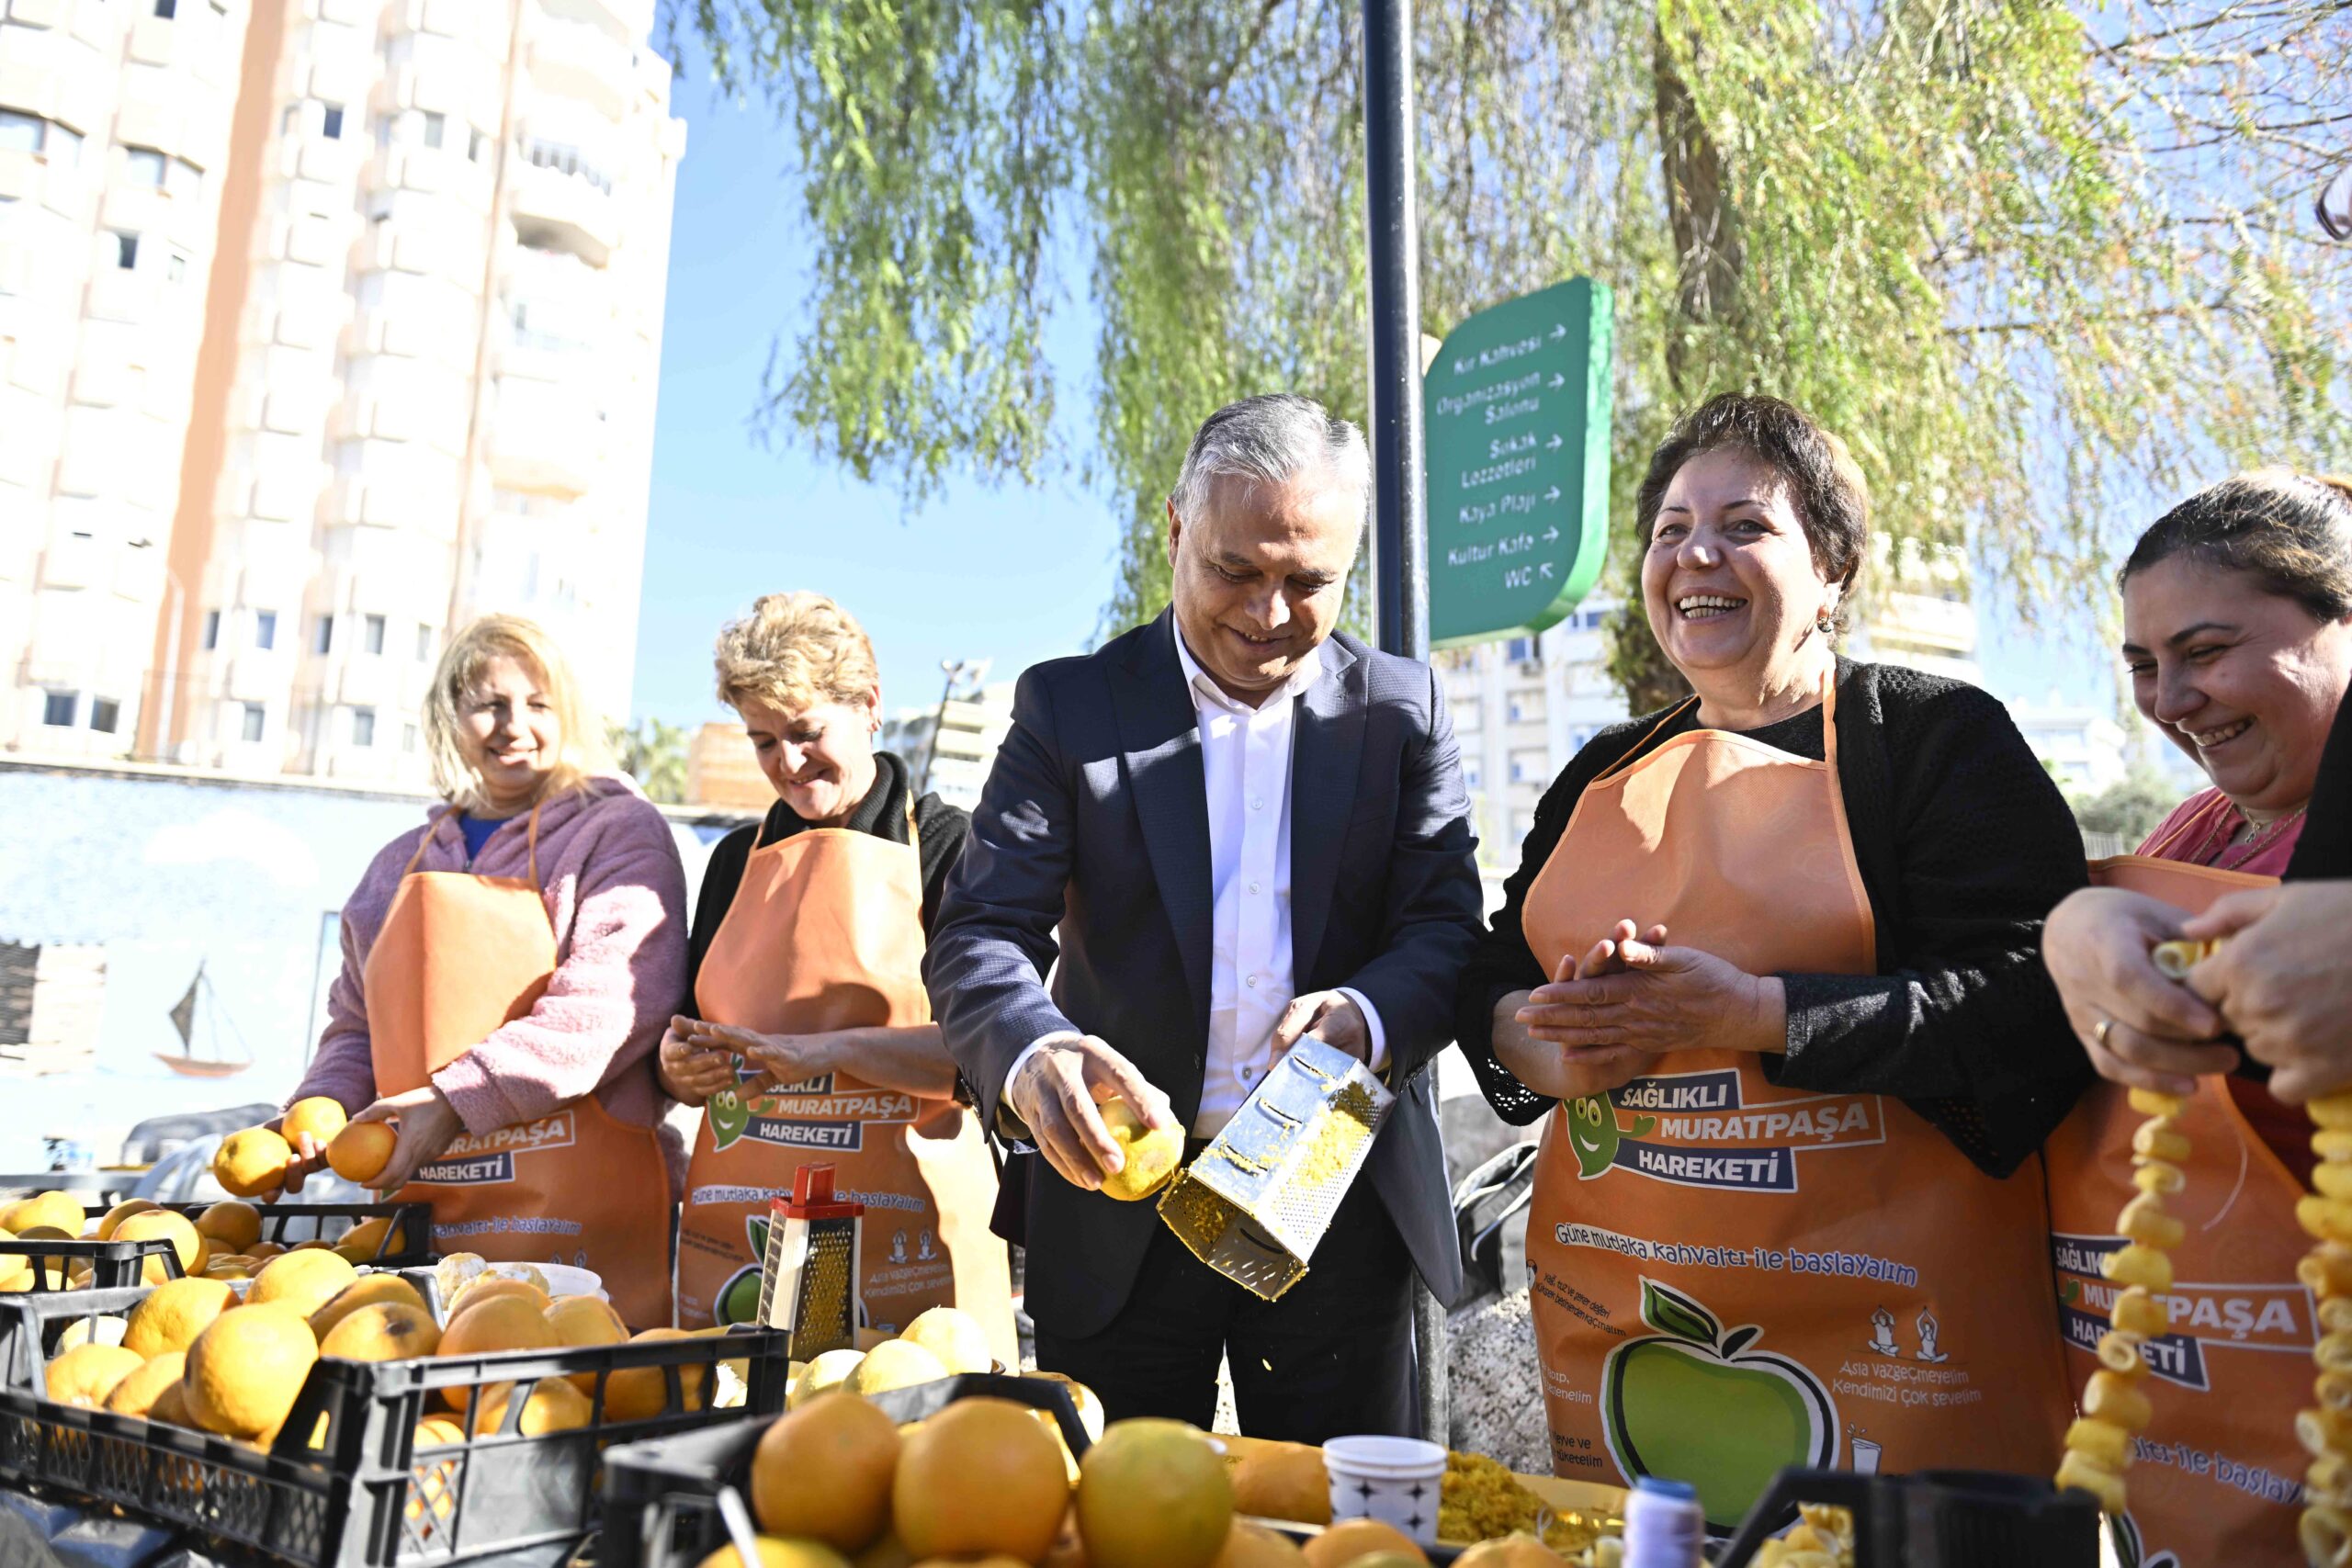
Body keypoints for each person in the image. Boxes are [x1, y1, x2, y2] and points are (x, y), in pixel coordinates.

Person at [1453, 393, 2086, 1530]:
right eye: (1669, 530)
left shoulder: (1933, 739)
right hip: (1628, 1339)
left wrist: (1759, 1011)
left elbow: (2034, 1001)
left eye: (1745, 525)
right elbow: (1486, 975)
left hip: (1900, 1361)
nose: (1696, 552)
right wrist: (1548, 1041)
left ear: (1832, 568)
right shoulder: (1599, 771)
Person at [924, 393, 1483, 1438]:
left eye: (1307, 582)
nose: (1269, 614)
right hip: (1117, 1211)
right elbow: (980, 934)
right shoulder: (1069, 708)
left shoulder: (1403, 713)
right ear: (1176, 529)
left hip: (1334, 1213)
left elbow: (1448, 931)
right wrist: (1034, 1053)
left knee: (1334, 1538)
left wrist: (1364, 1016)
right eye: (1236, 570)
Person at [2039, 469, 2352, 1565]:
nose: (2169, 700)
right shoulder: (2189, 830)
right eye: (2141, 665)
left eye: (2206, 651)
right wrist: (2068, 930)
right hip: (2195, 1434)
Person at [280, 615, 686, 1327]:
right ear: (451, 716)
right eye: (489, 704)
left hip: (583, 1227)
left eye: (538, 703)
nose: (513, 726)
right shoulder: (397, 865)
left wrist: (452, 1101)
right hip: (423, 1223)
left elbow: (607, 1008)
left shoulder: (616, 831)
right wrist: (321, 1110)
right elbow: (356, 1024)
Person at [660, 593, 1010, 1355]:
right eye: (762, 741)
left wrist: (828, 1052)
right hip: (741, 1246)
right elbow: (686, 1053)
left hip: (908, 1253)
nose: (787, 762)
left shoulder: (953, 848)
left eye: (806, 731)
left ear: (871, 705)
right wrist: (678, 1065)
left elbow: (984, 1055)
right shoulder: (732, 863)